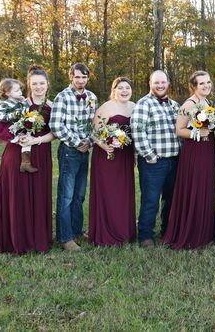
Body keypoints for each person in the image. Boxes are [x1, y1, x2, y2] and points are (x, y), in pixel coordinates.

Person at [0, 66, 55, 254]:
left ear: (47, 85)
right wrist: (18, 137)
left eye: (42, 83)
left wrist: (35, 139)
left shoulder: (52, 107)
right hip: (15, 153)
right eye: (34, 83)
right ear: (29, 84)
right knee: (16, 193)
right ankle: (13, 238)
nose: (38, 87)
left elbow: (55, 134)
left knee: (38, 193)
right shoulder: (17, 103)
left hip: (41, 153)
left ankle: (37, 238)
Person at [164, 71, 215, 249]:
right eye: (201, 83)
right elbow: (179, 130)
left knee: (205, 187)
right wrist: (197, 132)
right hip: (194, 151)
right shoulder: (189, 104)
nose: (206, 86)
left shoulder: (207, 102)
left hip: (207, 149)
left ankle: (204, 231)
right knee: (194, 187)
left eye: (208, 82)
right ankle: (190, 231)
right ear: (193, 86)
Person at [50, 62, 98, 252]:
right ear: (71, 76)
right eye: (77, 76)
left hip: (86, 150)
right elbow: (56, 125)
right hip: (69, 151)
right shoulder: (63, 97)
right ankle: (65, 237)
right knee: (66, 195)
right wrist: (77, 142)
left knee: (79, 194)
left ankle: (77, 231)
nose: (81, 80)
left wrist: (89, 142)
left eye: (84, 77)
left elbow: (96, 124)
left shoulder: (92, 97)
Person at [131, 70, 181, 248]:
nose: (160, 85)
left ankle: (167, 230)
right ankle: (146, 235)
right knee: (151, 199)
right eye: (156, 82)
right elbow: (137, 131)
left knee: (170, 198)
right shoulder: (144, 104)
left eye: (163, 82)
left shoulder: (174, 105)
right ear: (150, 83)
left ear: (168, 83)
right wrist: (149, 155)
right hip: (154, 161)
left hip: (174, 160)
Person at [88, 77, 136, 247]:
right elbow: (93, 133)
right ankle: (106, 232)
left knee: (124, 194)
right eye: (120, 88)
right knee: (109, 193)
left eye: (127, 88)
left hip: (126, 157)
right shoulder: (106, 108)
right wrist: (104, 146)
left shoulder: (134, 107)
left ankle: (125, 231)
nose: (124, 91)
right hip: (107, 156)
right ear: (114, 90)